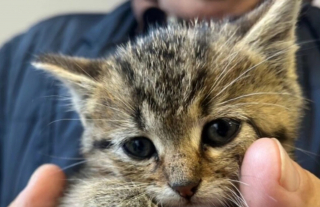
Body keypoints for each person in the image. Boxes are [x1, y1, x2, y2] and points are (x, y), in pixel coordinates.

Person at [1, 0, 320, 206]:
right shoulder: (24, 51)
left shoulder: (261, 60)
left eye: (220, 130)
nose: (183, 180)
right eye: (138, 146)